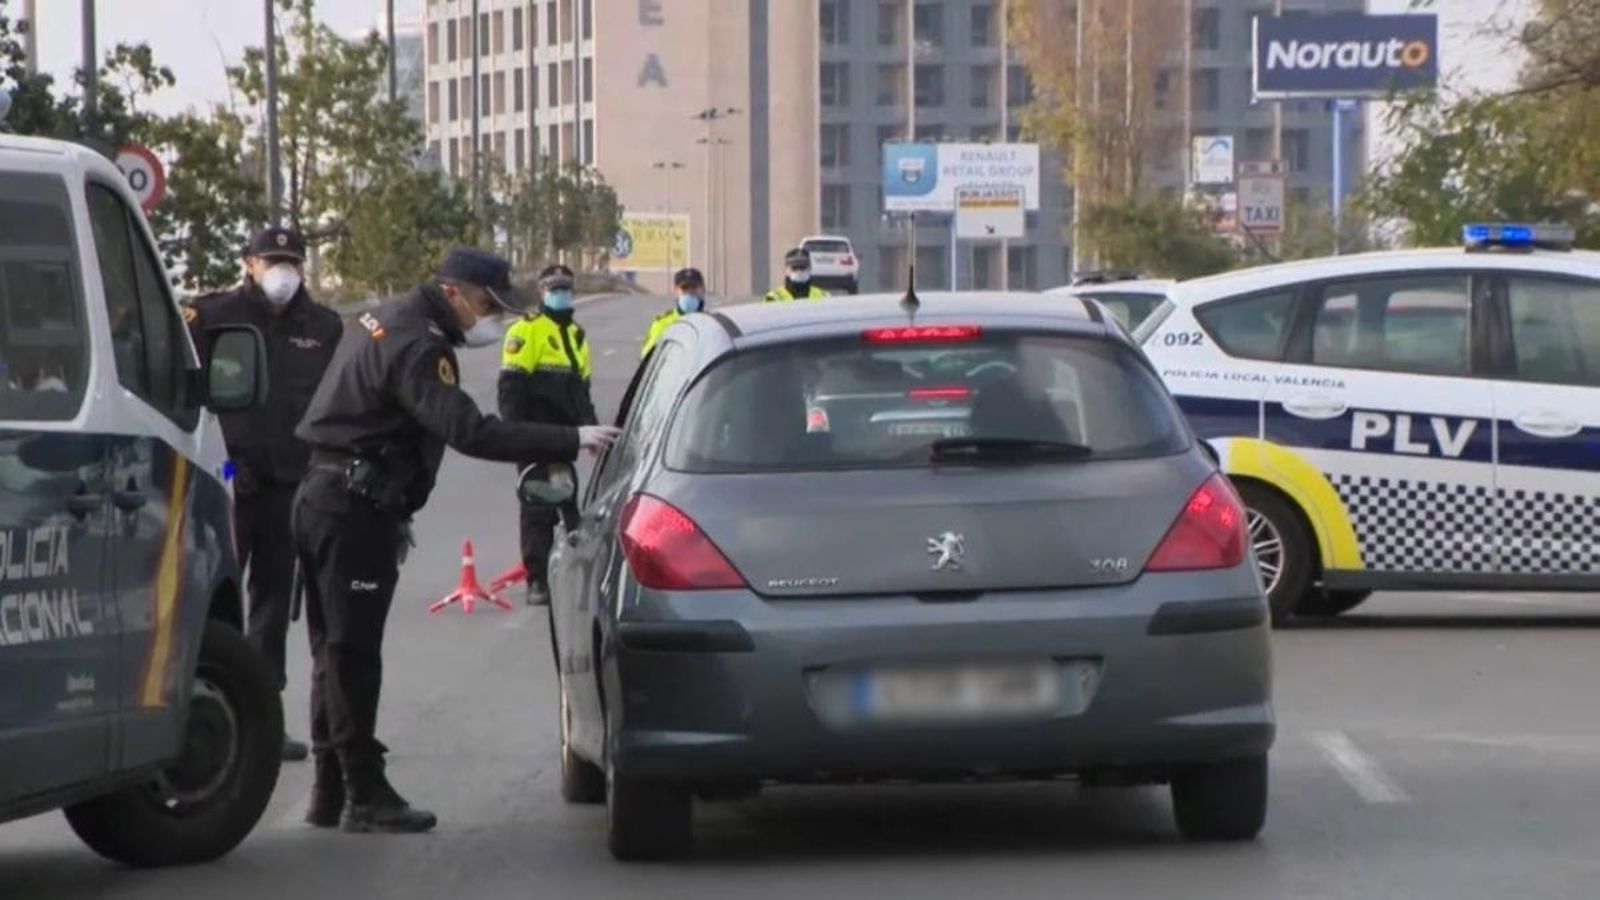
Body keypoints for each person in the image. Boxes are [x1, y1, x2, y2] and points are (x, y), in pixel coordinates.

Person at [292, 248, 621, 833]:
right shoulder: (420, 344)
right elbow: (470, 430)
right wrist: (569, 438)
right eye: (487, 304)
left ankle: (329, 788)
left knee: (331, 650)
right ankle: (363, 792)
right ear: (454, 293)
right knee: (352, 654)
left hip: (326, 495)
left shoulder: (382, 316)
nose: (489, 317)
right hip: (352, 507)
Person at [184, 225, 341, 763]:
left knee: (273, 603)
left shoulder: (323, 328)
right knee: (213, 596)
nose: (284, 272)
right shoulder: (211, 318)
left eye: (292, 262)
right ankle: (205, 711)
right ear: (248, 262)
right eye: (273, 260)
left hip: (289, 483)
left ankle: (262, 718)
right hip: (225, 476)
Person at [497, 264, 597, 606]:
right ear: (542, 293)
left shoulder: (577, 336)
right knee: (537, 506)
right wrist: (515, 433)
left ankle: (581, 577)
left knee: (569, 502)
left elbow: (582, 391)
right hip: (533, 433)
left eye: (565, 288)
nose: (561, 294)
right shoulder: (527, 331)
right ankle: (537, 580)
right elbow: (511, 388)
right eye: (554, 289)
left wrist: (591, 430)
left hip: (567, 436)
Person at [641, 267, 708, 358]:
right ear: (676, 292)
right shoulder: (662, 323)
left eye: (694, 288)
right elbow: (647, 358)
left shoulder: (711, 324)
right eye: (684, 288)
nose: (689, 293)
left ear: (703, 290)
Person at [763, 247, 831, 302]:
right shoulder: (773, 298)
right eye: (794, 268)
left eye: (802, 268)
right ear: (786, 271)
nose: (799, 271)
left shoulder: (823, 297)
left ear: (810, 269)